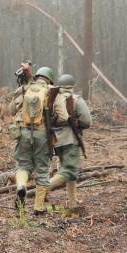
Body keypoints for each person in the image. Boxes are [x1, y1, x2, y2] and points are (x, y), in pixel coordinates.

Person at [7, 66, 69, 215]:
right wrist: (53, 123)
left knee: (23, 165)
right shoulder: (53, 91)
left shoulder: (24, 88)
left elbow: (11, 111)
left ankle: (21, 186)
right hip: (42, 134)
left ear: (37, 76)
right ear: (49, 79)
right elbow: (64, 117)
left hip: (22, 132)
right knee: (42, 169)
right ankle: (38, 208)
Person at [46, 74, 92, 212]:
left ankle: (73, 200)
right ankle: (43, 189)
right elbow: (87, 121)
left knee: (68, 169)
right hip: (70, 139)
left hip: (56, 138)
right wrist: (78, 124)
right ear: (72, 86)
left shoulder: (52, 99)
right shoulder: (76, 99)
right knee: (71, 169)